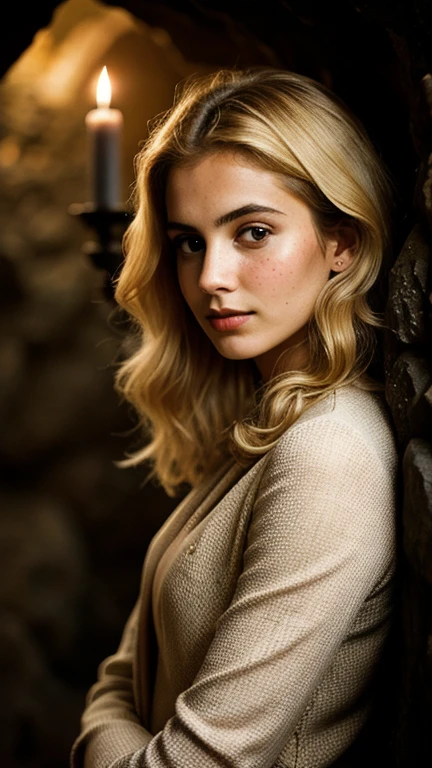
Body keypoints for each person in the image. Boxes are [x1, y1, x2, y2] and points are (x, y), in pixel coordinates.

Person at [71, 67, 400, 768]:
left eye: (251, 232)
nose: (211, 275)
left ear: (340, 241)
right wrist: (114, 723)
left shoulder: (329, 452)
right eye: (189, 241)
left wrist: (97, 738)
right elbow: (118, 678)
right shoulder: (266, 424)